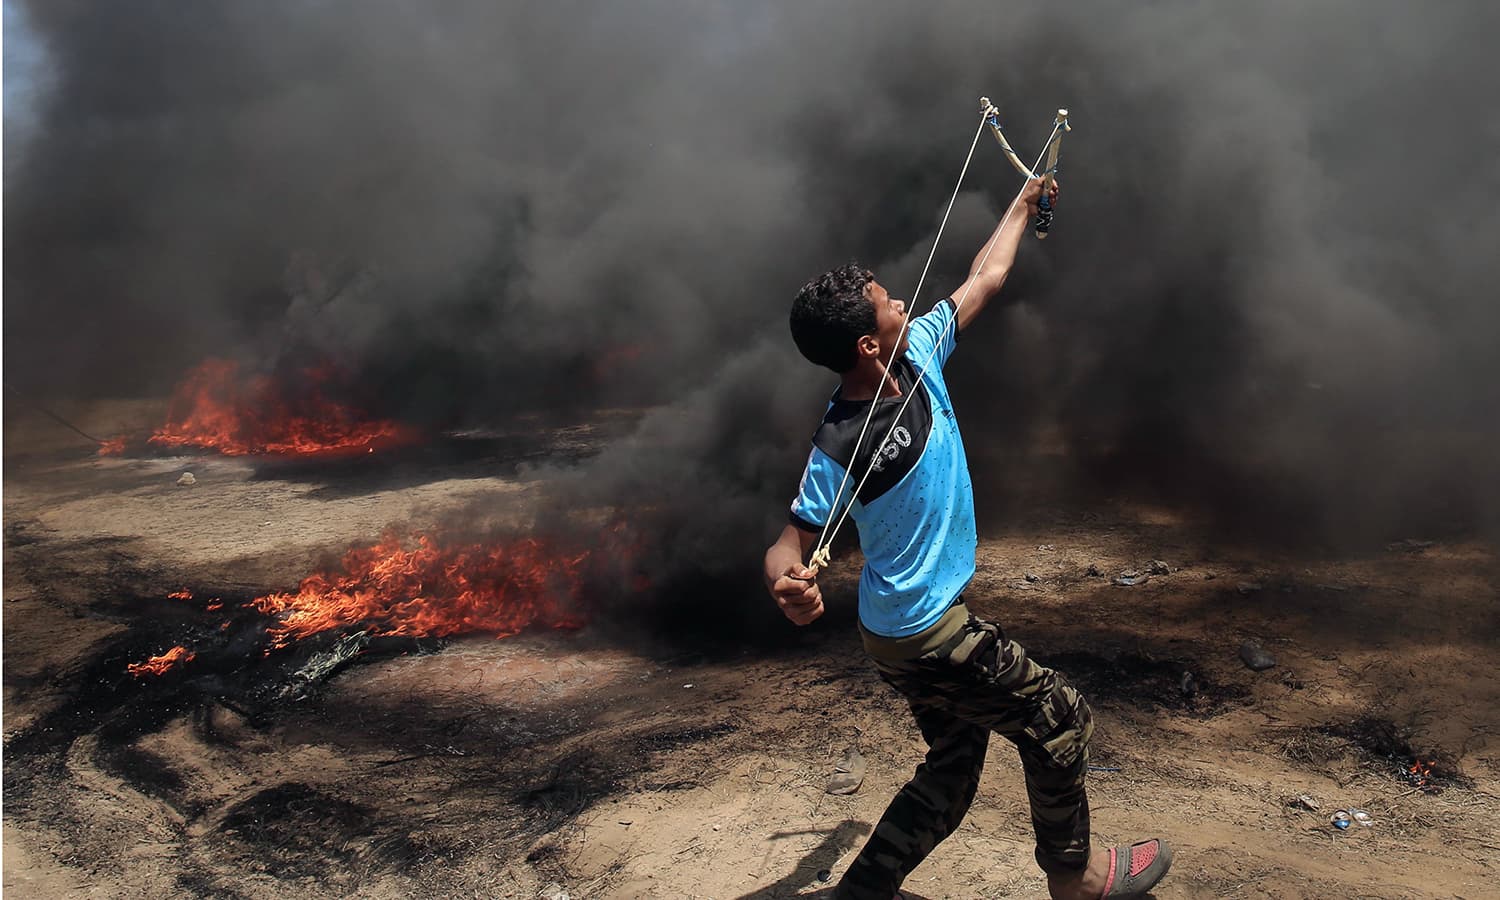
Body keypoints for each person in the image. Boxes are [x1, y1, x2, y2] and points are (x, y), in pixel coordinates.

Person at [762, 177, 1172, 900]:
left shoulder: (918, 348)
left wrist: (1020, 205)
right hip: (923, 632)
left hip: (900, 632)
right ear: (866, 341)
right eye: (888, 302)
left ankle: (860, 893)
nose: (902, 304)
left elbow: (987, 275)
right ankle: (1074, 882)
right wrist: (786, 580)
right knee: (1059, 717)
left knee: (953, 769)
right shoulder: (840, 443)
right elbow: (790, 539)